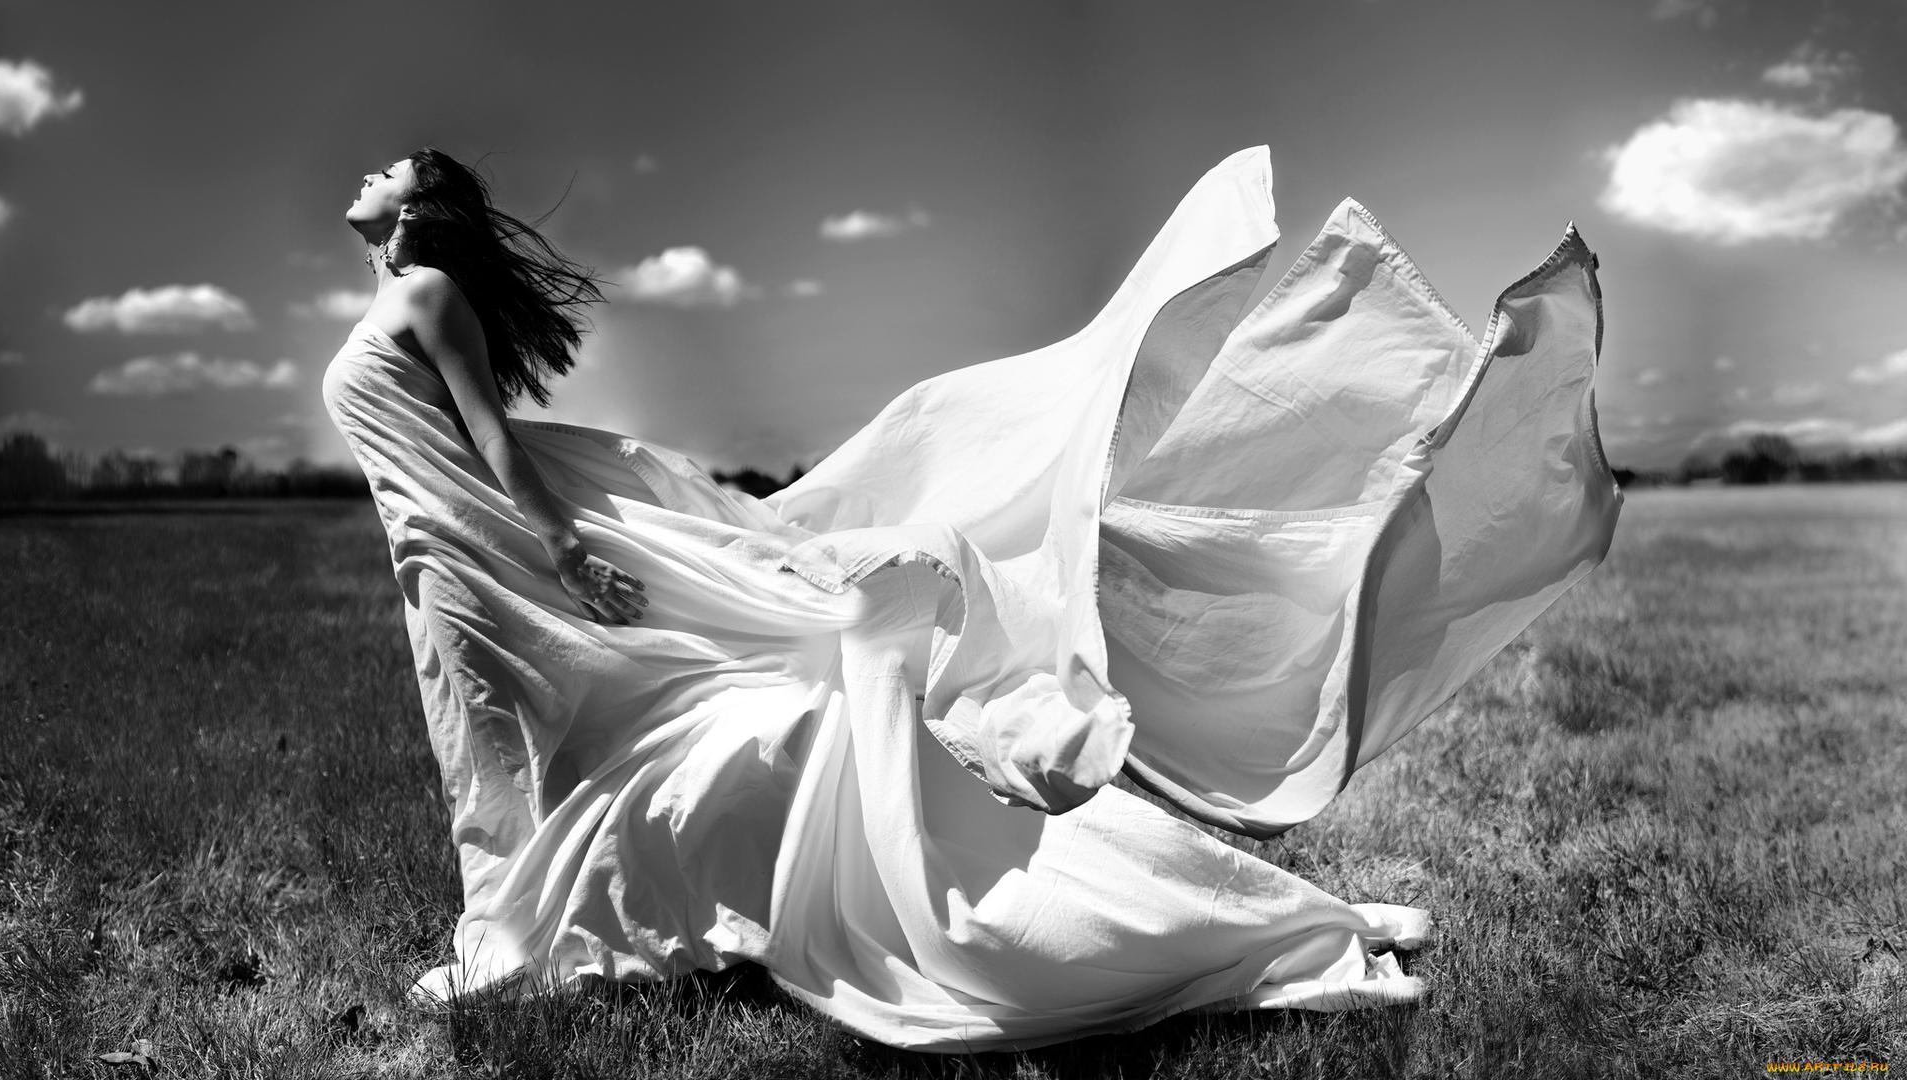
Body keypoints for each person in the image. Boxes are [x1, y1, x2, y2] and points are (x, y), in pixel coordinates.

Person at [324, 145, 1619, 1052]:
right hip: (449, 563)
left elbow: (491, 444)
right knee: (505, 746)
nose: (368, 175)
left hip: (482, 554)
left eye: (390, 170)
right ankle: (517, 925)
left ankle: (524, 931)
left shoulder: (423, 292)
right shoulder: (400, 294)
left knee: (521, 741)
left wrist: (560, 552)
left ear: (419, 205)